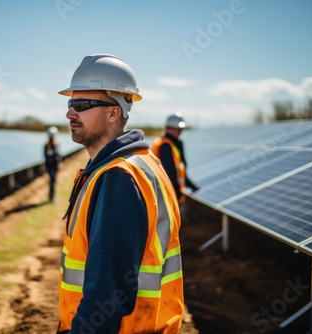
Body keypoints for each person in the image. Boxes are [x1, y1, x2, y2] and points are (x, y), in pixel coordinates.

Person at [56, 54, 184, 333]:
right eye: (70, 104)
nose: (69, 113)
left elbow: (107, 297)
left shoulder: (119, 178)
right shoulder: (141, 164)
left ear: (114, 113)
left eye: (81, 105)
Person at [152, 113, 199, 206]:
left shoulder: (175, 144)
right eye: (173, 129)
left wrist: (192, 186)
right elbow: (169, 173)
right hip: (167, 197)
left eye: (179, 130)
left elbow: (180, 171)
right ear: (167, 128)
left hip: (172, 196)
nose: (177, 132)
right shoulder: (165, 145)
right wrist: (175, 195)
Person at [44, 126, 61, 202]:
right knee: (52, 181)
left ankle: (52, 196)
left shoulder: (55, 145)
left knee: (53, 181)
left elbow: (57, 155)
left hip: (54, 166)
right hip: (51, 166)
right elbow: (48, 157)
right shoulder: (48, 146)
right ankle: (51, 197)